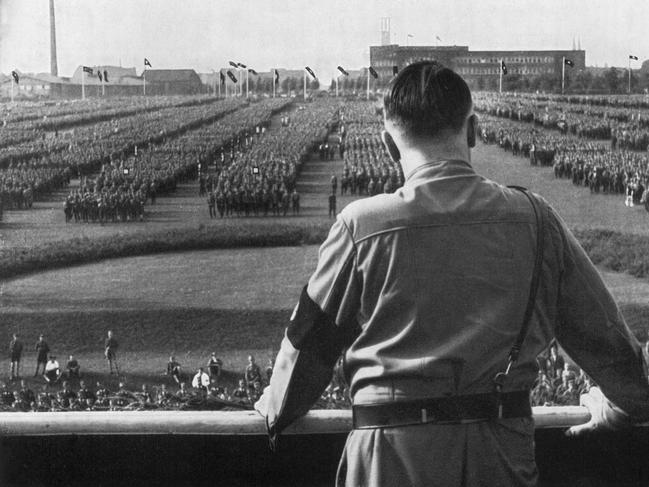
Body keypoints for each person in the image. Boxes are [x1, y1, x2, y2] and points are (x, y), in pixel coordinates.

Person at [255, 62, 649, 487]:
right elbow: (607, 342)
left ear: (389, 145)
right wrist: (627, 404)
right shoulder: (536, 219)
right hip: (500, 454)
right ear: (474, 130)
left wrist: (275, 408)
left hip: (390, 457)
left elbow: (307, 347)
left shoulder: (360, 226)